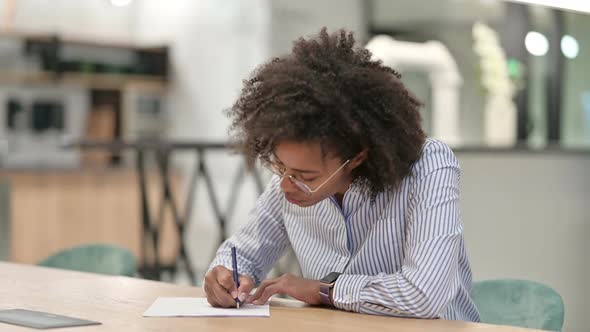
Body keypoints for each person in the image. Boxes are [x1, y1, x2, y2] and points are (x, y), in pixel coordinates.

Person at [204, 27, 480, 321]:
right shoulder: (289, 182)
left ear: (357, 157)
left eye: (306, 176)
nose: (285, 184)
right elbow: (242, 254)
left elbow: (424, 295)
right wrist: (225, 276)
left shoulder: (428, 166)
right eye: (279, 166)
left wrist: (325, 290)